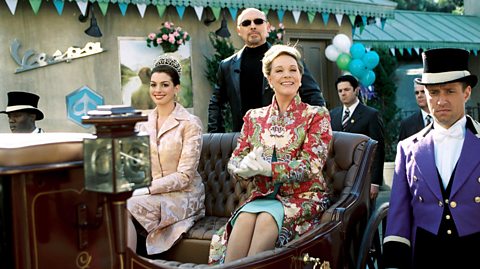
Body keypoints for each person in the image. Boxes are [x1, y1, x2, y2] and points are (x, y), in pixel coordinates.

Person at [208, 45, 332, 264]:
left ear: (301, 78)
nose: (287, 75)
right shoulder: (254, 117)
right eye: (280, 70)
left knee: (266, 219)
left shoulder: (316, 115)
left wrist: (268, 169)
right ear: (269, 78)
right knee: (244, 219)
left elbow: (312, 165)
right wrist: (241, 167)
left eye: (293, 70)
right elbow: (236, 158)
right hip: (262, 196)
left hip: (303, 197)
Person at [383, 48, 480, 269]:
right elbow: (399, 214)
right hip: (426, 254)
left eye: (450, 91)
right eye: (434, 92)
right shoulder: (407, 148)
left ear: (466, 93)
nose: (441, 100)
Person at [126, 55, 205, 255]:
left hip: (184, 195)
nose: (157, 90)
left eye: (164, 85)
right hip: (151, 193)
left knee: (125, 206)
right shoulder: (142, 123)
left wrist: (146, 190)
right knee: (113, 204)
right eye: (153, 85)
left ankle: (127, 263)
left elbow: (185, 177)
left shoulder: (190, 123)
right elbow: (137, 165)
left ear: (176, 88)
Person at [207, 8, 325, 133]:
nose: (252, 26)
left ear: (267, 27)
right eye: (246, 23)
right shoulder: (227, 66)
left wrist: (316, 131)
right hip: (244, 140)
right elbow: (216, 103)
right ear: (239, 30)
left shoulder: (287, 58)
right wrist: (216, 137)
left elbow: (313, 95)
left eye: (258, 21)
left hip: (284, 137)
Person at [329, 75, 385, 201]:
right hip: (338, 180)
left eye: (347, 90)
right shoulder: (333, 115)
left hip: (362, 177)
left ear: (356, 90)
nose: (343, 93)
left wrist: (375, 182)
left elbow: (379, 149)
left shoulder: (371, 115)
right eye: (340, 91)